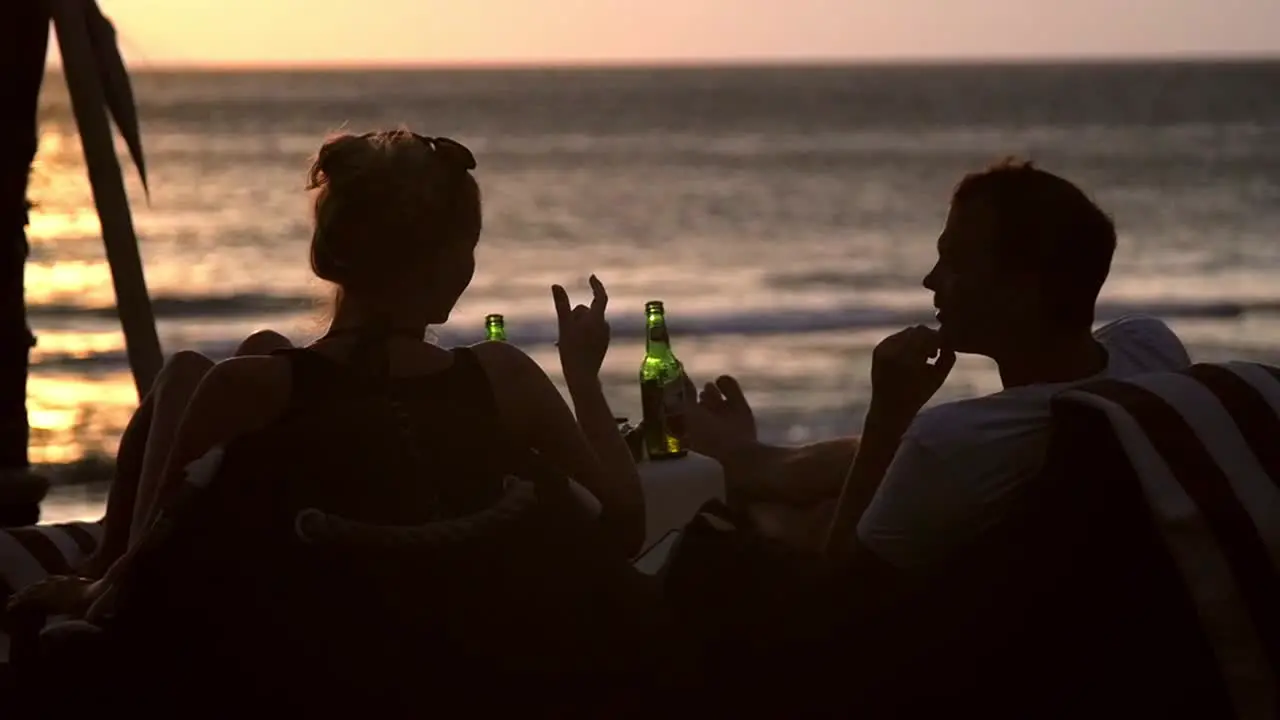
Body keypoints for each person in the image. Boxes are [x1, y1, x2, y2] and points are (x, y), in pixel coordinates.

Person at [13, 128, 646, 617]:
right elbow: (624, 526)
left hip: (298, 666)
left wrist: (103, 585)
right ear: (454, 264)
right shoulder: (502, 378)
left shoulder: (246, 394)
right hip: (456, 660)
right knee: (240, 355)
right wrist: (582, 377)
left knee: (202, 369)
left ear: (326, 255)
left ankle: (101, 556)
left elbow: (152, 573)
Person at [687, 159, 1191, 568]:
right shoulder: (1151, 351)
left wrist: (888, 416)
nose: (931, 280)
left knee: (761, 527)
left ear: (1021, 291)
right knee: (822, 493)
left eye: (954, 263)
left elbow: (842, 599)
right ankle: (756, 461)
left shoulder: (955, 440)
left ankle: (747, 467)